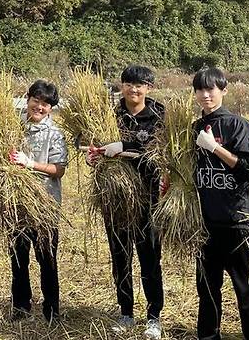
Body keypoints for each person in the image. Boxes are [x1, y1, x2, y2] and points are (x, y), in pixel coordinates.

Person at [87, 65, 165, 339]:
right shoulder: (109, 113)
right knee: (120, 258)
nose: (134, 89)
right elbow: (88, 139)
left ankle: (154, 316)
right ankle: (126, 312)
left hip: (148, 198)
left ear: (149, 88)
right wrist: (93, 154)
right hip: (115, 199)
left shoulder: (158, 114)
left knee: (150, 258)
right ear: (122, 86)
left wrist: (124, 146)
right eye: (129, 83)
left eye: (140, 84)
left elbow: (160, 150)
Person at [192, 67, 249, 340]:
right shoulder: (193, 127)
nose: (206, 94)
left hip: (238, 222)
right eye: (200, 89)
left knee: (246, 288)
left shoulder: (237, 125)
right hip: (205, 223)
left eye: (211, 89)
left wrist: (215, 148)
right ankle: (208, 336)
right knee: (207, 288)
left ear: (223, 90)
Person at [7, 80, 67, 322]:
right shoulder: (12, 127)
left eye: (45, 104)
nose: (39, 107)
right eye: (36, 100)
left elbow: (59, 169)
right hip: (16, 204)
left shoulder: (55, 134)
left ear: (50, 108)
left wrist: (29, 163)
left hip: (45, 205)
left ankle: (52, 310)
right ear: (27, 98)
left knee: (47, 259)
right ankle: (20, 307)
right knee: (18, 258)